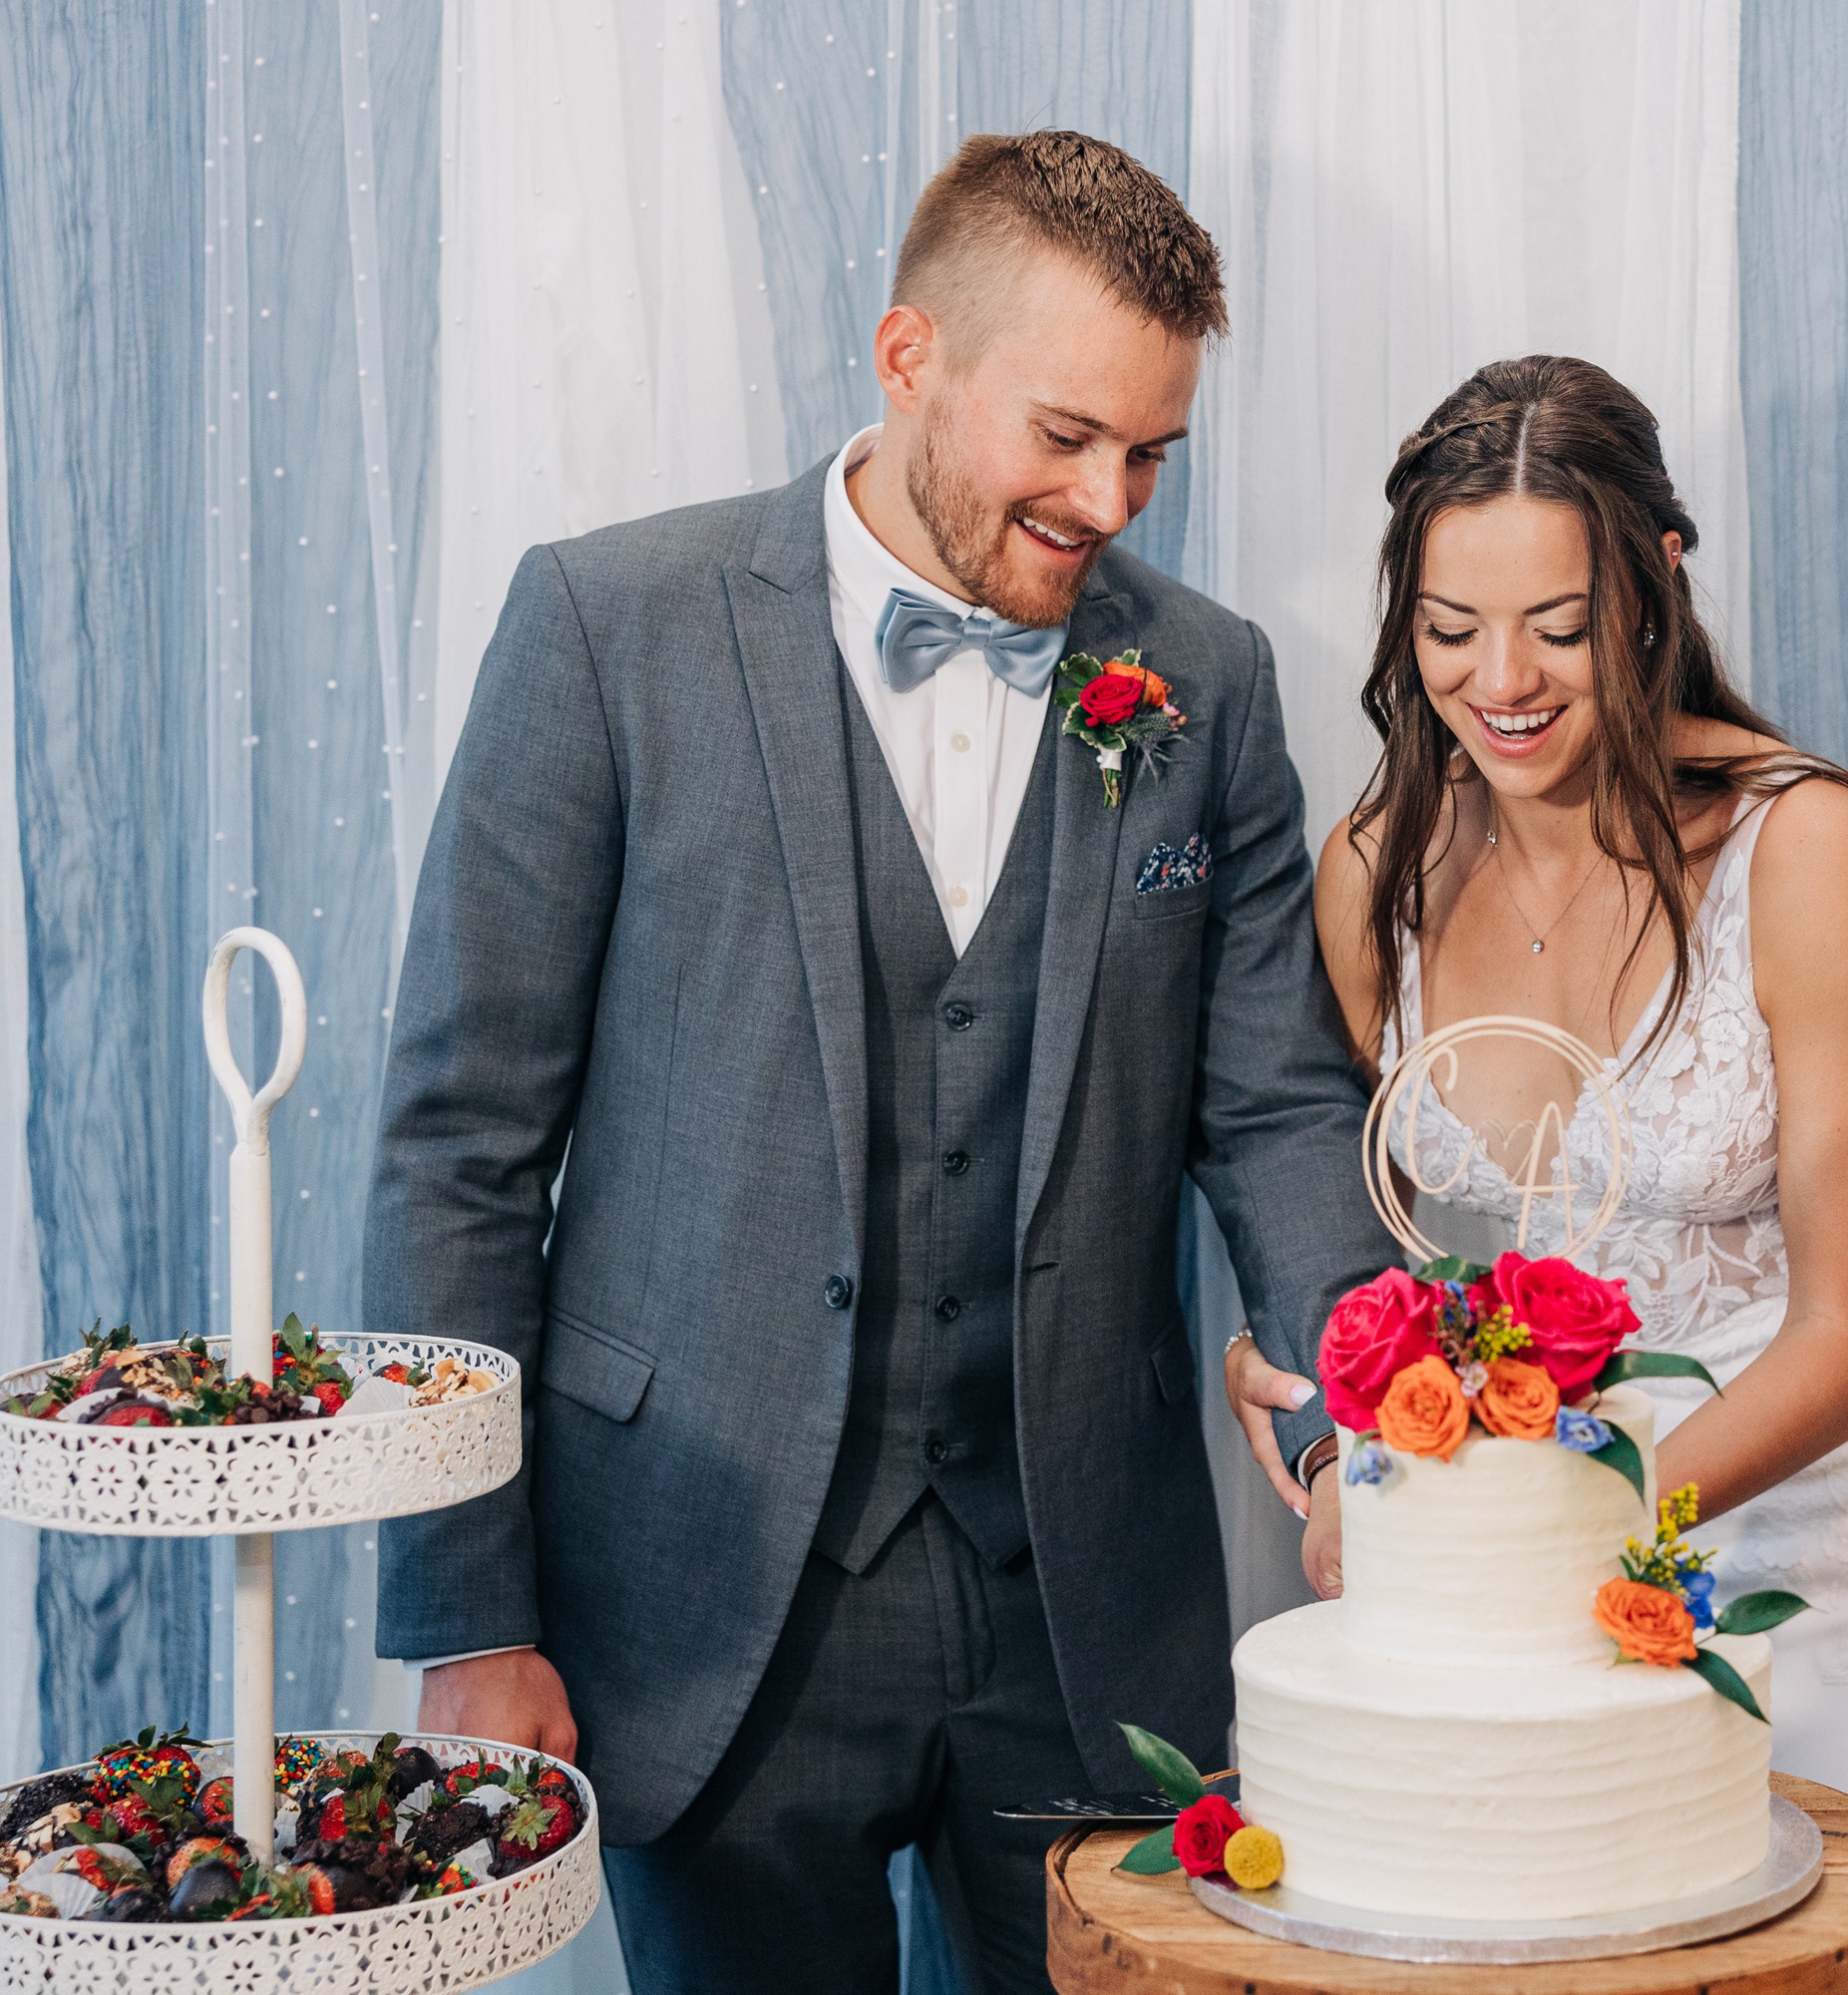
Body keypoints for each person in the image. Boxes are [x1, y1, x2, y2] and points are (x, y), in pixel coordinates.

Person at [367, 130, 1395, 1993]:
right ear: (907, 355)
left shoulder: (1211, 686)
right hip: (701, 1608)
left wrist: (1362, 1437)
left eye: (1154, 449)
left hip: (1085, 1605)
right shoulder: (608, 630)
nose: (1113, 500)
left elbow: (1278, 1108)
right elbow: (462, 1148)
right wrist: (466, 1604)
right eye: (1067, 435)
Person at [1225, 354, 1848, 1994]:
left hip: (1822, 1556)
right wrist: (1314, 1409)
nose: (1500, 681)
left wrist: (1538, 1537)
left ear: (1655, 582)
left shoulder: (1808, 853)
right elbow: (1347, 1226)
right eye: (1449, 631)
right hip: (1528, 1598)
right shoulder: (1375, 872)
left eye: (1557, 628)